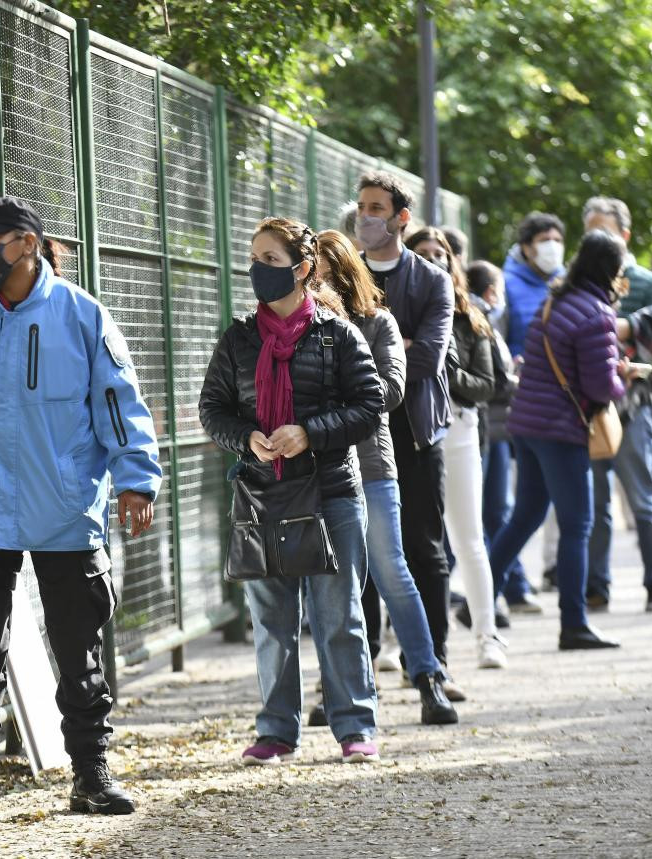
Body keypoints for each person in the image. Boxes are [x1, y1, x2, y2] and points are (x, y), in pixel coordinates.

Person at [0, 197, 161, 820]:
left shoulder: (82, 315)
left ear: (28, 243)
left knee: (78, 649)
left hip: (64, 508)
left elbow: (119, 403)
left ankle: (91, 777)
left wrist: (136, 480)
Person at [199, 217, 384, 765]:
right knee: (272, 623)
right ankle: (276, 731)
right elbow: (213, 410)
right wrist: (245, 437)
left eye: (272, 260)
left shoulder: (337, 334)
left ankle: (355, 726)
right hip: (262, 498)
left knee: (339, 618)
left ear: (303, 270)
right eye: (255, 258)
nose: (259, 269)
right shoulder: (237, 339)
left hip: (330, 495)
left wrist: (310, 434)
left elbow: (371, 406)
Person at [315, 228, 458, 723]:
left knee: (392, 571)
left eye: (323, 275)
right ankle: (339, 690)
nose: (315, 286)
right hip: (313, 472)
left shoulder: (378, 325)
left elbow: (389, 391)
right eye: (310, 276)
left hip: (371, 467)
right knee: (334, 584)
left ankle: (428, 677)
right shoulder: (292, 329)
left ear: (344, 276)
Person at [488, 230, 630, 650]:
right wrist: (624, 379)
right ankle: (574, 623)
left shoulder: (557, 299)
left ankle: (482, 599)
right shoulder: (596, 313)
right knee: (577, 526)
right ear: (609, 270)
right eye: (620, 270)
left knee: (526, 516)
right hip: (561, 431)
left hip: (528, 425)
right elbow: (600, 388)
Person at [354, 171, 461, 699]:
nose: (365, 216)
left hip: (416, 432)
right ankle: (359, 673)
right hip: (356, 436)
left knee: (423, 549)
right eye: (361, 206)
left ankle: (435, 666)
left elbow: (425, 359)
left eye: (377, 207)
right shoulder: (342, 277)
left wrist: (367, 361)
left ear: (402, 218)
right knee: (361, 558)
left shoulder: (431, 280)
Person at [407, 228, 509, 669]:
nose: (433, 261)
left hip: (460, 431)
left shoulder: (471, 319)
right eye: (423, 254)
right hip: (408, 431)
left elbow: (487, 385)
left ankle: (487, 635)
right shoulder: (395, 314)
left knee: (469, 538)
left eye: (441, 254)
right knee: (412, 543)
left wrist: (442, 368)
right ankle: (401, 643)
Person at [580, 197, 652, 613]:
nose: (596, 239)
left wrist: (626, 328)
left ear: (625, 235)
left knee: (643, 499)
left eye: (604, 230)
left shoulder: (646, 283)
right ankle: (597, 587)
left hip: (634, 408)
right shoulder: (578, 281)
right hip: (588, 410)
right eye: (589, 231)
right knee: (594, 506)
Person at [466, 261, 539, 615]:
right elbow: (492, 379)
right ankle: (494, 597)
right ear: (492, 291)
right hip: (488, 430)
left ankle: (505, 591)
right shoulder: (481, 321)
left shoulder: (483, 321)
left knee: (494, 514)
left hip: (492, 429)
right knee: (491, 514)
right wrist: (519, 381)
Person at [502, 212, 567, 359]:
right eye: (545, 240)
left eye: (558, 240)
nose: (553, 246)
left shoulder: (570, 284)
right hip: (521, 377)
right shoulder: (504, 284)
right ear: (526, 248)